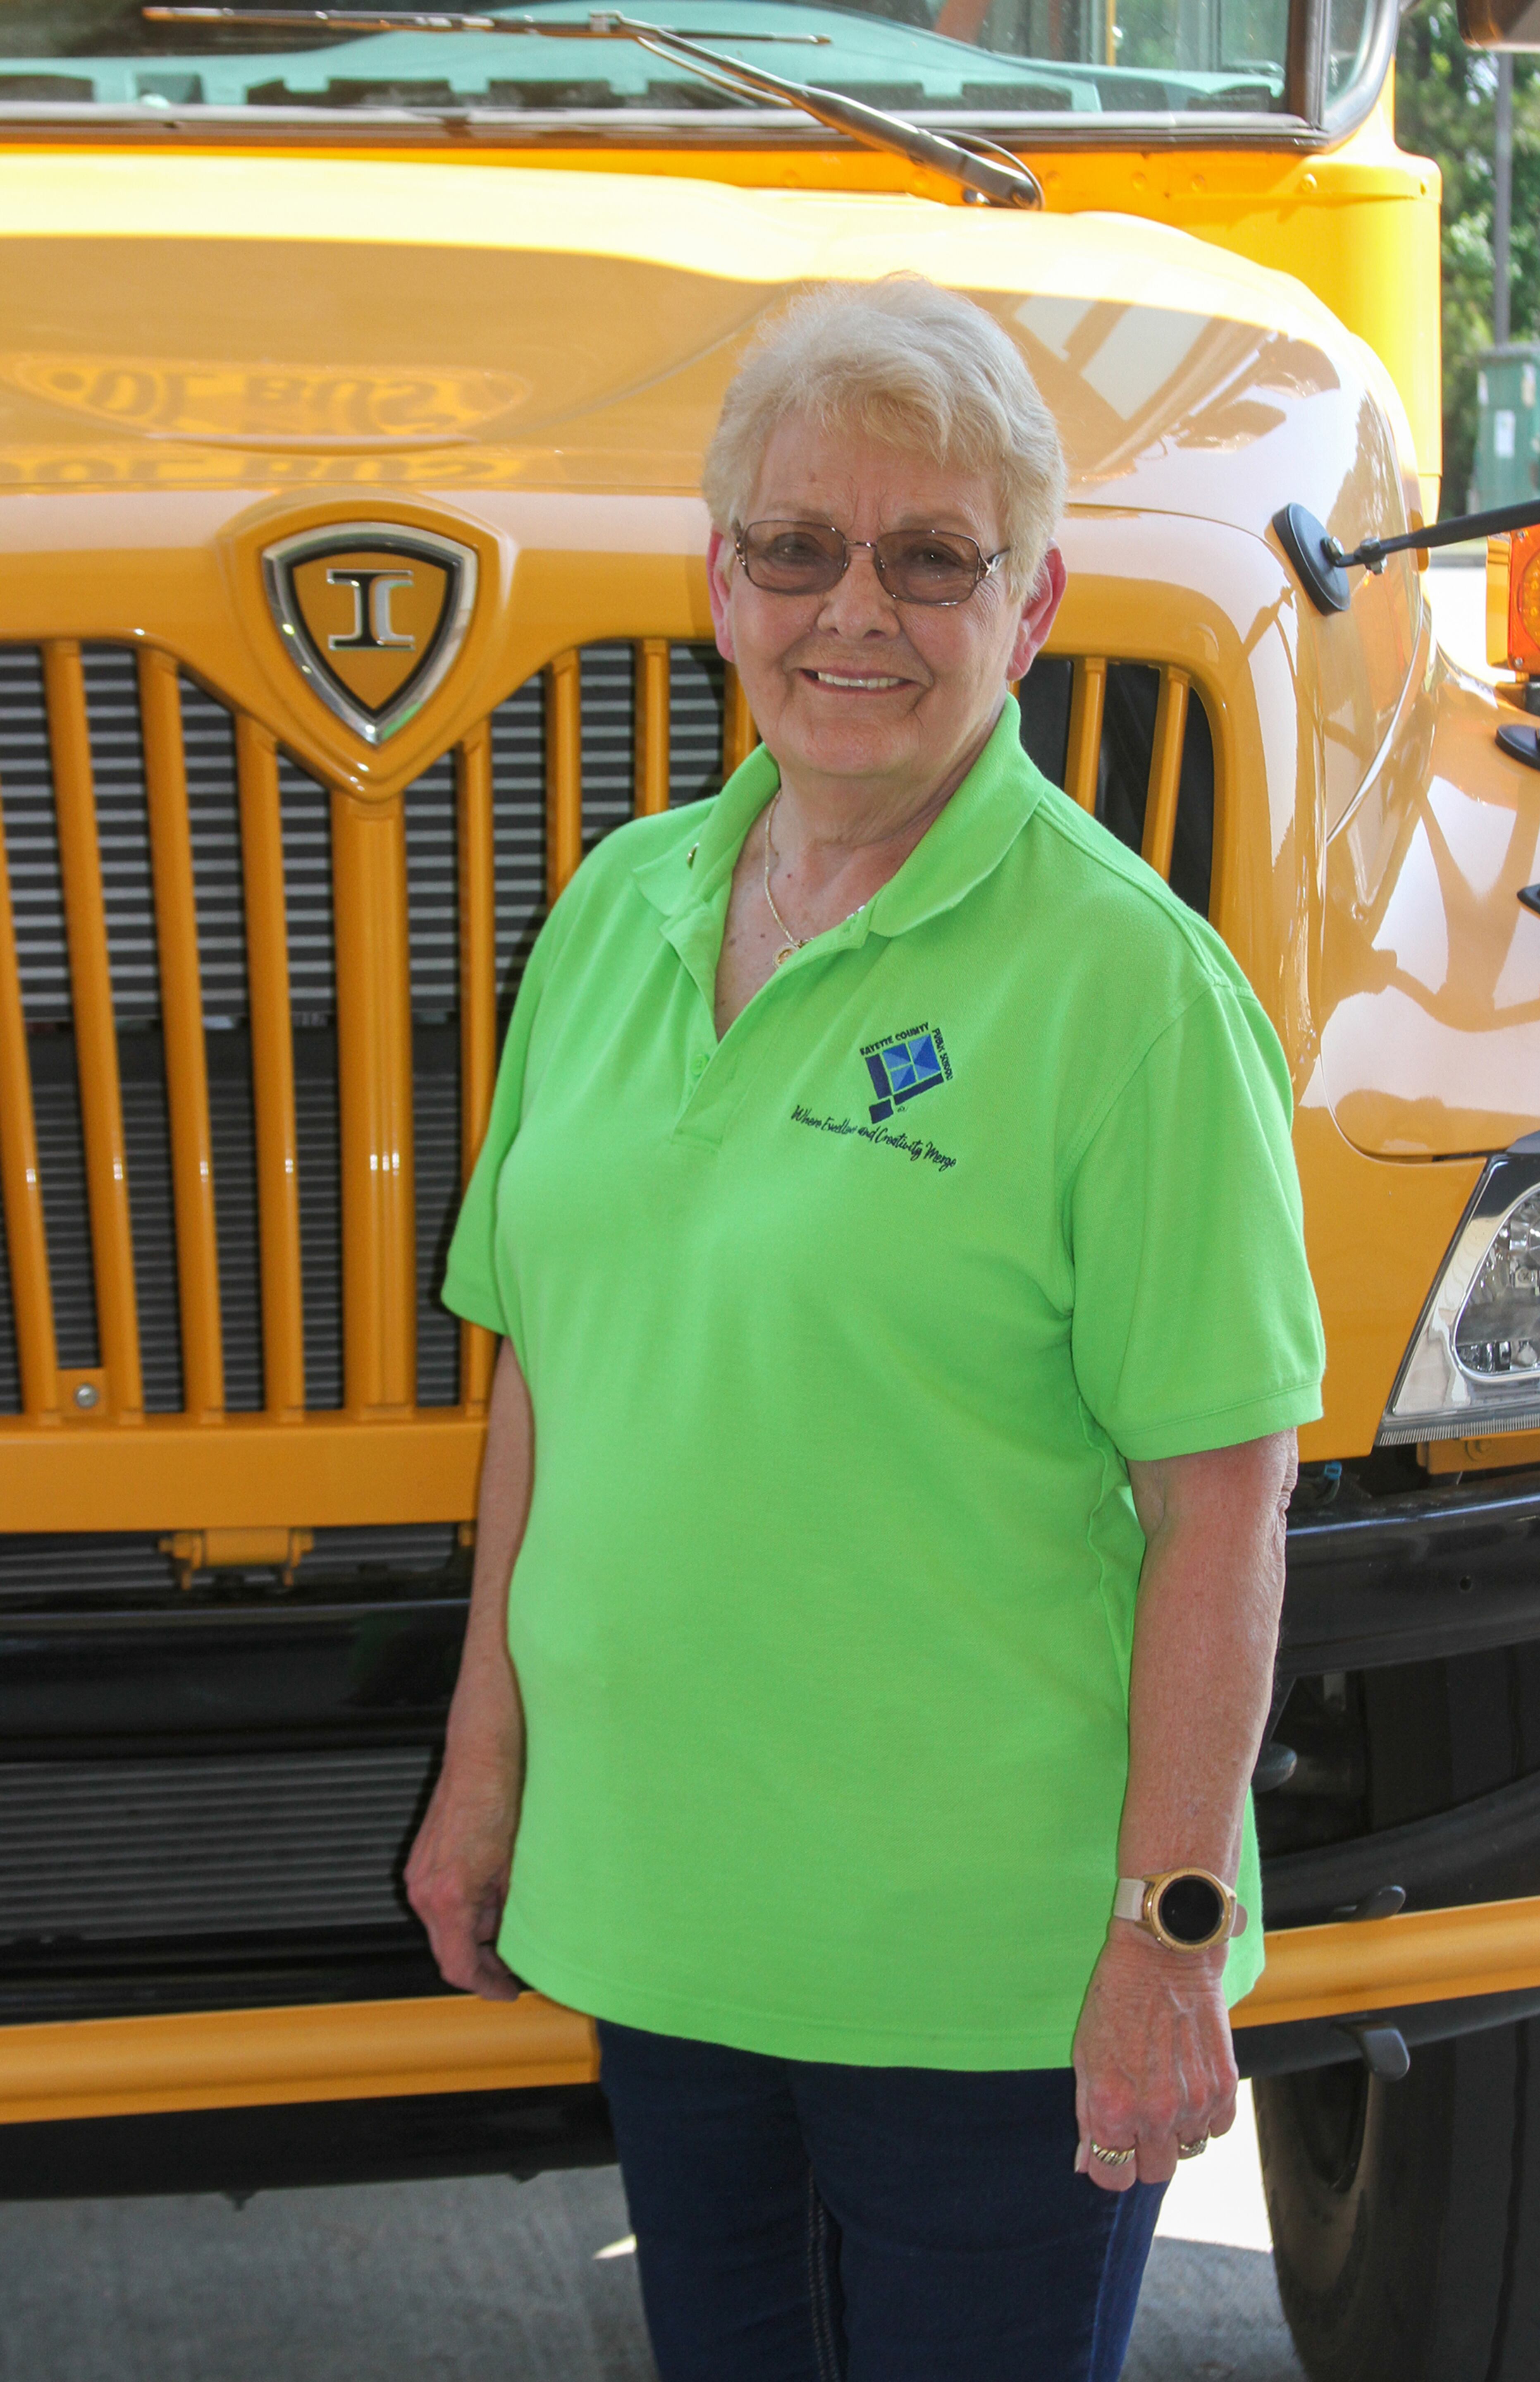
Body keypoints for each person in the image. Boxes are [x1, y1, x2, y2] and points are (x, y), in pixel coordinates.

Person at [406, 275, 1325, 2382]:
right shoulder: (619, 914)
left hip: (986, 1993)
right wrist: (484, 1774)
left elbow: (1224, 1502)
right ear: (720, 580)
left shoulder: (1134, 997)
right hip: (673, 1935)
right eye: (801, 549)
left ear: (1038, 606)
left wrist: (1164, 1943)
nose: (858, 613)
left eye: (934, 559)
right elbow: (550, 1366)